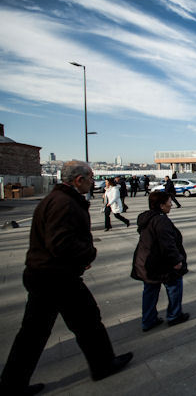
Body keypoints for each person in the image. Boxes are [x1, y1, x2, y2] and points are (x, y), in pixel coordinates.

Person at [0, 161, 133, 395]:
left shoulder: (57, 199)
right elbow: (60, 243)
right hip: (56, 278)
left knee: (36, 332)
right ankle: (103, 365)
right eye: (91, 178)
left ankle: (12, 384)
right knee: (86, 322)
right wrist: (87, 254)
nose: (94, 182)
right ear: (78, 180)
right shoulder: (64, 203)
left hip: (46, 275)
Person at [132, 191, 190, 332]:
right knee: (174, 286)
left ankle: (148, 320)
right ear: (161, 205)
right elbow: (167, 244)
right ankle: (174, 315)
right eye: (169, 201)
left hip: (146, 261)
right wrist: (176, 260)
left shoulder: (148, 218)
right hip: (160, 263)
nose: (171, 204)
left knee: (150, 290)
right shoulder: (161, 221)